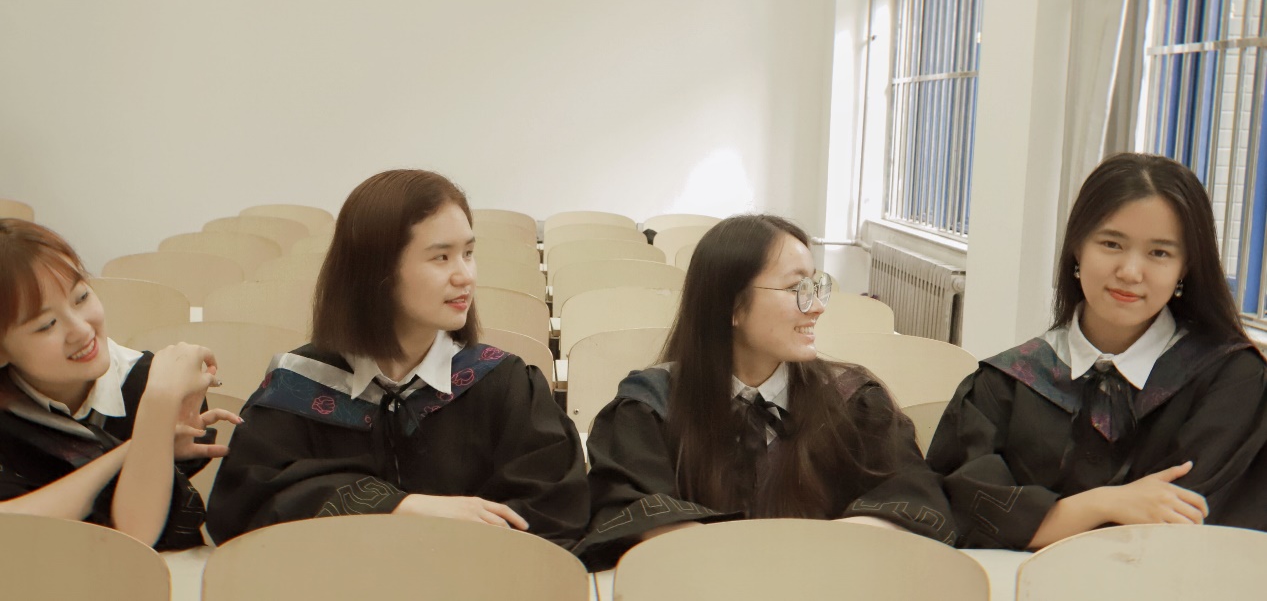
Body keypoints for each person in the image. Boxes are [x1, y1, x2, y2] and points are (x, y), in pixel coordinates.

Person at [206, 170, 588, 548]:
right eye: (441, 257)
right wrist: (399, 507)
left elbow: (553, 511)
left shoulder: (504, 385)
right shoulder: (299, 384)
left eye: (468, 254)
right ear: (376, 270)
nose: (465, 276)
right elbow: (246, 508)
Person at [573, 214, 957, 571]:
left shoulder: (853, 402)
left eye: (815, 286)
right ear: (731, 306)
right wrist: (742, 568)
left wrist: (813, 556)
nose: (817, 307)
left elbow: (909, 498)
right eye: (795, 288)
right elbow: (630, 508)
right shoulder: (650, 407)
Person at [926, 152, 1267, 550]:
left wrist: (1046, 519)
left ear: (1186, 267)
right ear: (1077, 247)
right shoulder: (1005, 385)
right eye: (1111, 243)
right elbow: (960, 513)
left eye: (1159, 253)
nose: (1130, 272)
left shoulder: (1232, 382)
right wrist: (1106, 503)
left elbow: (1184, 526)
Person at [0, 219, 234, 549]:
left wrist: (159, 398)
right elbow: (10, 526)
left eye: (81, 297)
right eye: (47, 324)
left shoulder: (148, 381)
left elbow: (136, 544)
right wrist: (138, 442)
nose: (81, 329)